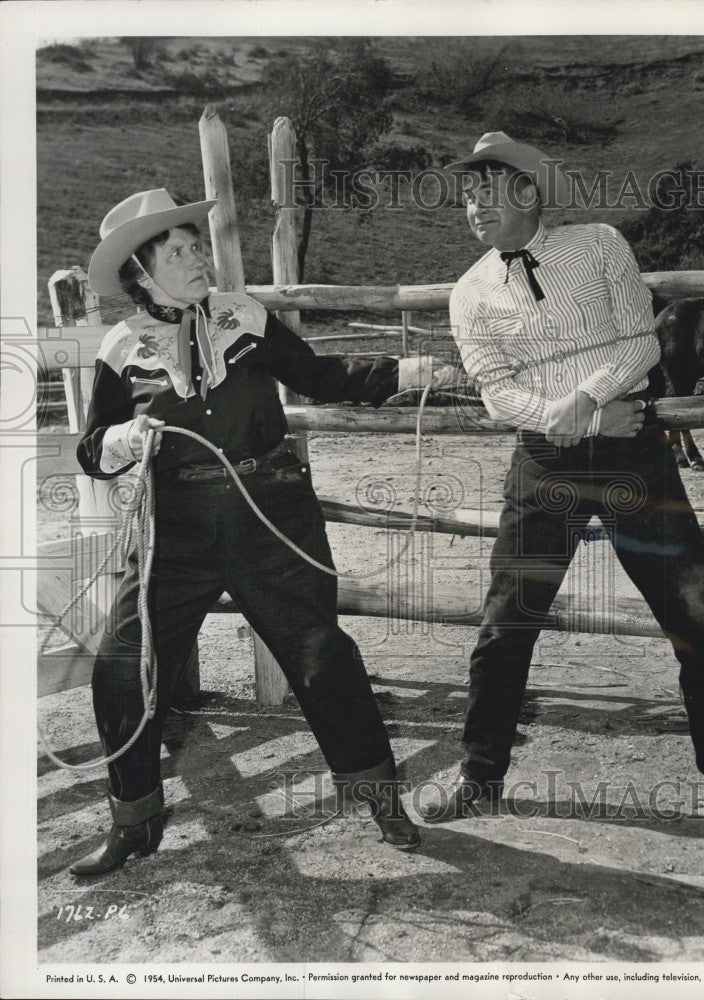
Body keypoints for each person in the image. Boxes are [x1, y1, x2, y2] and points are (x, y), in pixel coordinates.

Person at [71, 188, 449, 876]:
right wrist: (127, 435)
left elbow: (320, 375)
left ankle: (377, 796)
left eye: (197, 244)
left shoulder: (241, 315)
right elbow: (91, 449)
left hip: (269, 513)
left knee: (319, 656)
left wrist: (405, 371)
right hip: (173, 529)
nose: (198, 257)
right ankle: (134, 820)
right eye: (180, 249)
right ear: (140, 271)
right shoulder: (122, 348)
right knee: (124, 666)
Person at [421, 133, 704, 832]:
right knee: (504, 627)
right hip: (543, 466)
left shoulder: (599, 245)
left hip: (633, 458)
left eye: (486, 188)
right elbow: (493, 393)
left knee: (694, 622)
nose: (472, 205)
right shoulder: (469, 292)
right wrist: (565, 417)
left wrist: (588, 403)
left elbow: (641, 340)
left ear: (527, 190)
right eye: (466, 194)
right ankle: (480, 772)